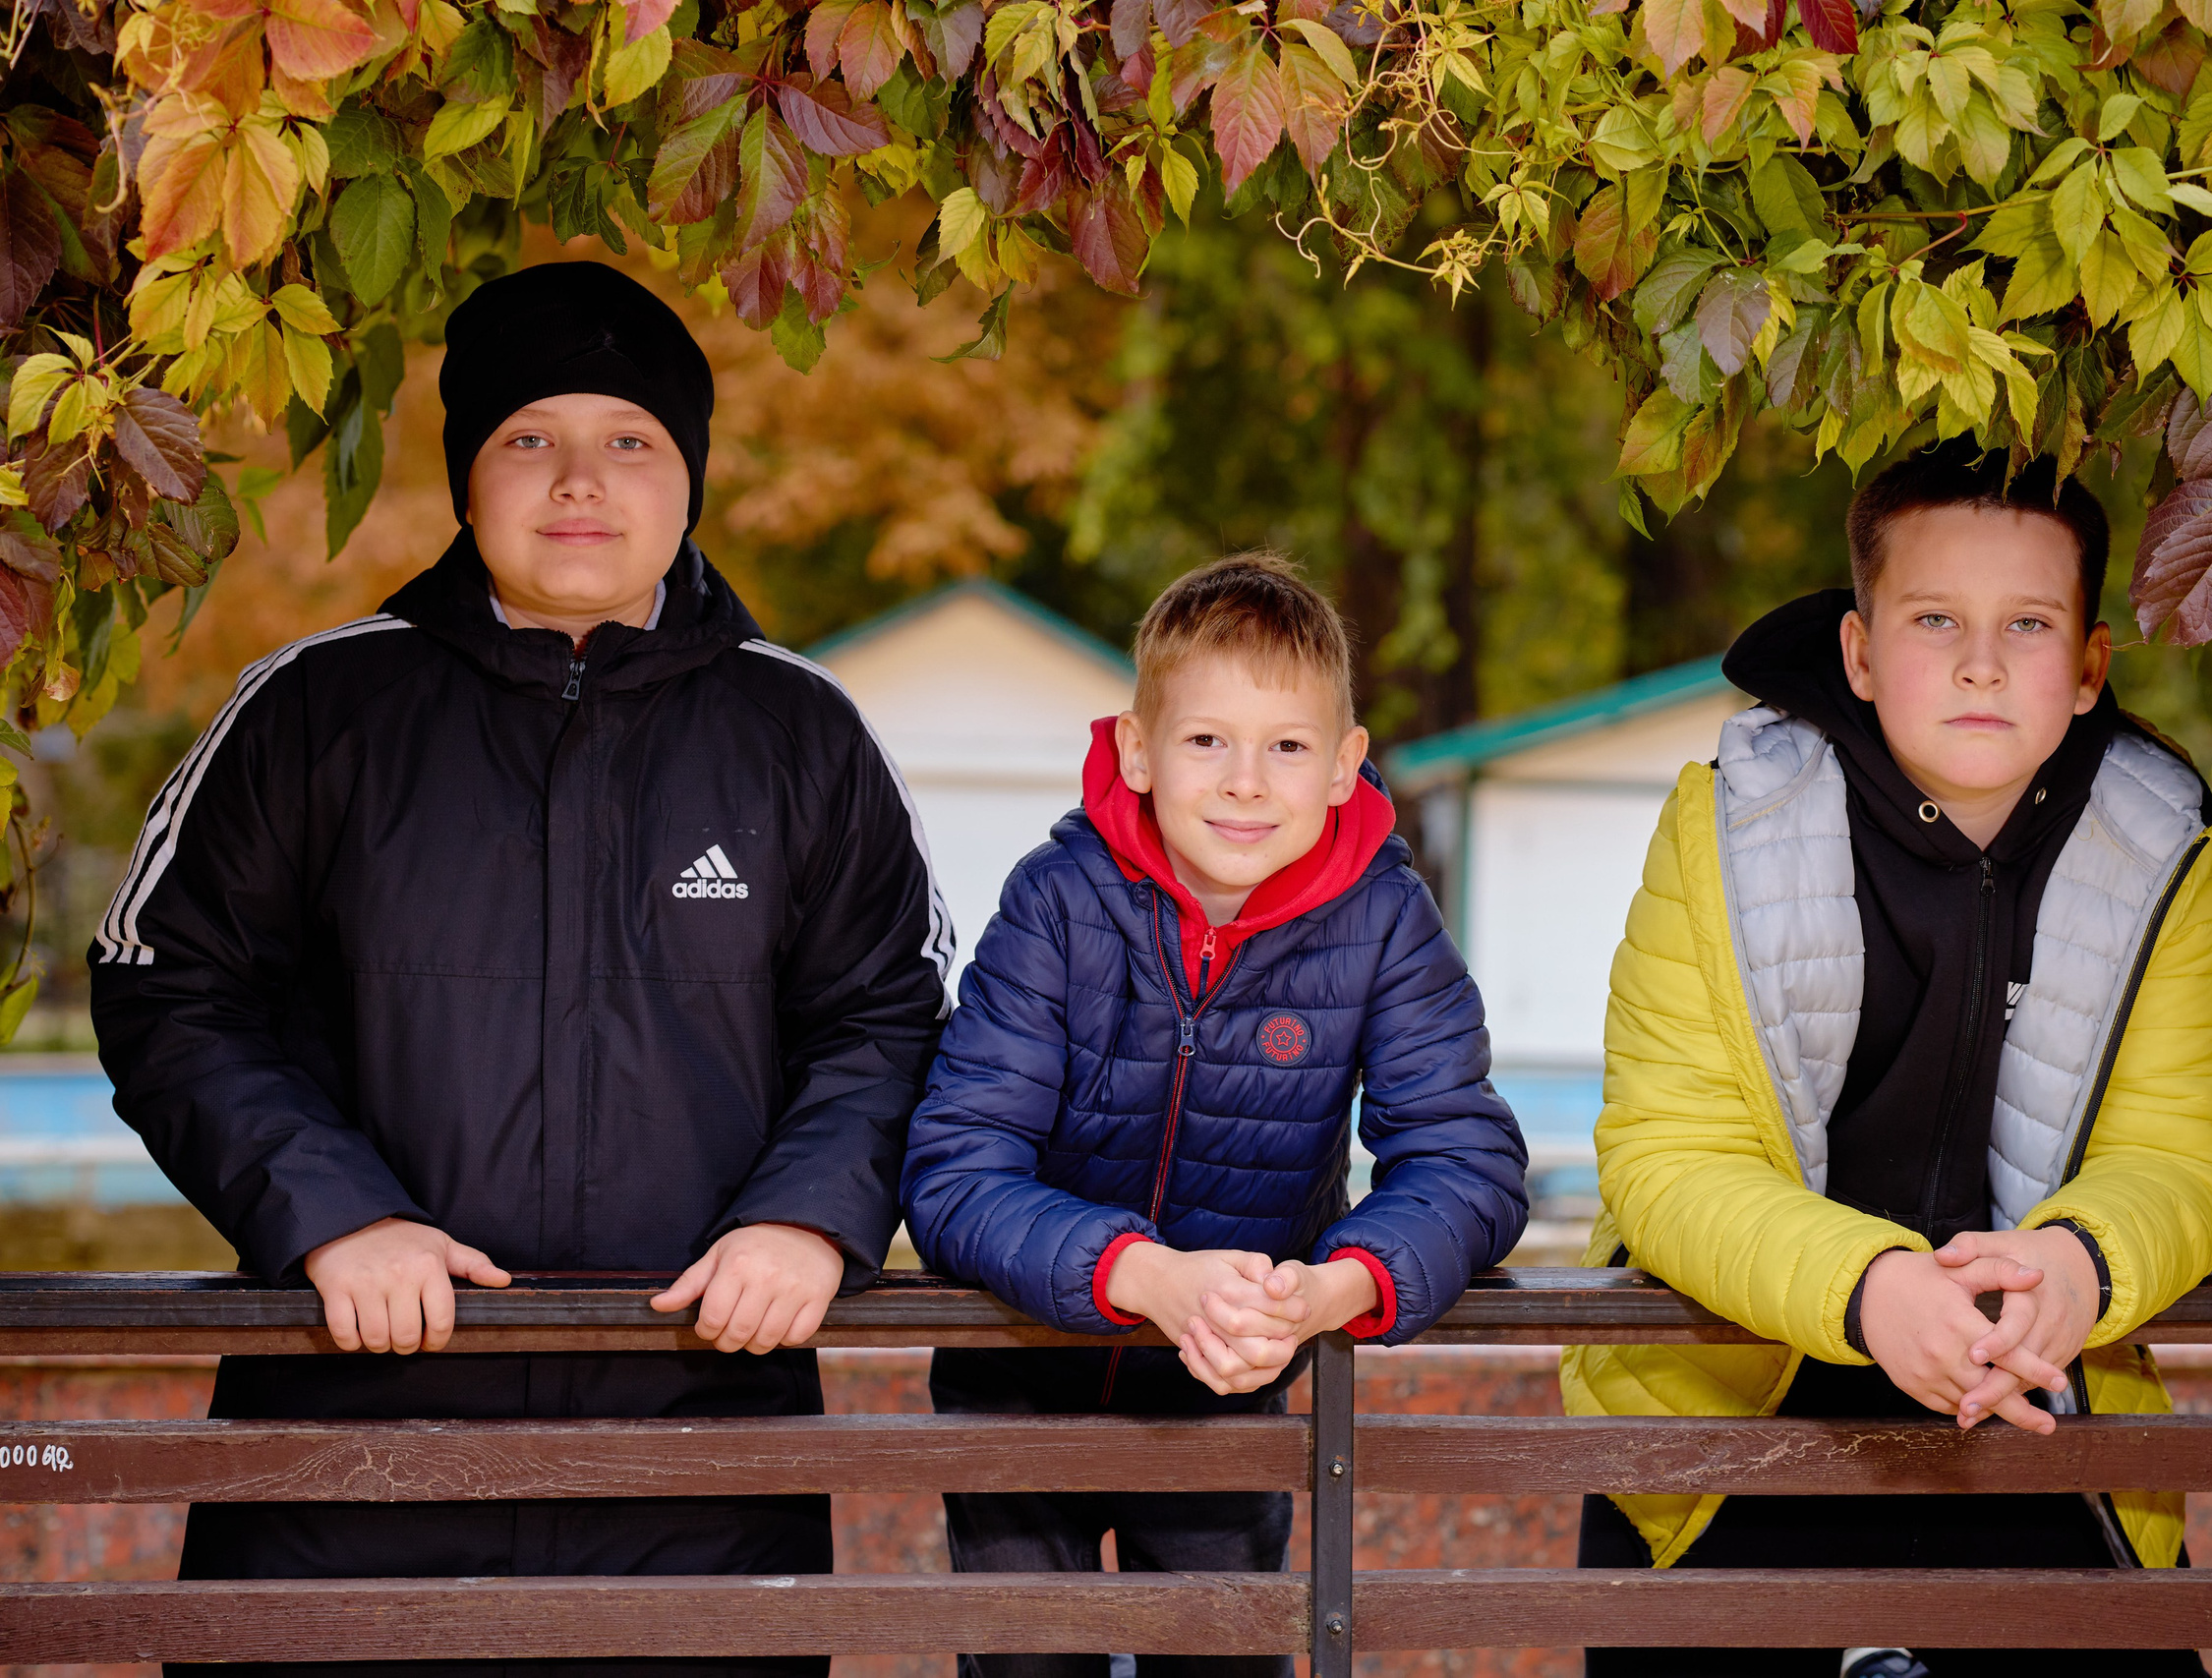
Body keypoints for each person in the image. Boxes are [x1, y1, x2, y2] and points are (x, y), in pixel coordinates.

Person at [89, 260, 953, 1677]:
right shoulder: (316, 709)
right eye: (528, 438)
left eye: (630, 441)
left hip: (698, 1463)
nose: (578, 481)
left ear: (689, 483)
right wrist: (331, 1215)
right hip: (347, 1456)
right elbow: (167, 984)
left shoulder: (803, 733)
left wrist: (808, 1217)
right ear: (467, 479)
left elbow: (889, 1014)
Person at [1558, 446, 2212, 1678]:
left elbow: (2176, 1154)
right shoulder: (1728, 824)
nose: (1981, 662)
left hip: (2030, 1382)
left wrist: (2077, 1264)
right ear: (1861, 654)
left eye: (2027, 623)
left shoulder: (2160, 846)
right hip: (1738, 1407)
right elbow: (1665, 1158)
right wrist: (1870, 1288)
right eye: (1935, 620)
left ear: (2088, 667)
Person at [902, 552, 1528, 1678]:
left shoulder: (1382, 921)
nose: (1246, 782)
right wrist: (1144, 1276)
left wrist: (1333, 1290)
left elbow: (1463, 1158)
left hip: (1229, 1387)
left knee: (1224, 1660)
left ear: (1343, 768)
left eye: (1286, 747)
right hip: (1017, 1381)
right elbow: (956, 1170)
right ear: (1137, 750)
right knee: (1026, 1669)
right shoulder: (1058, 902)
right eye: (1206, 741)